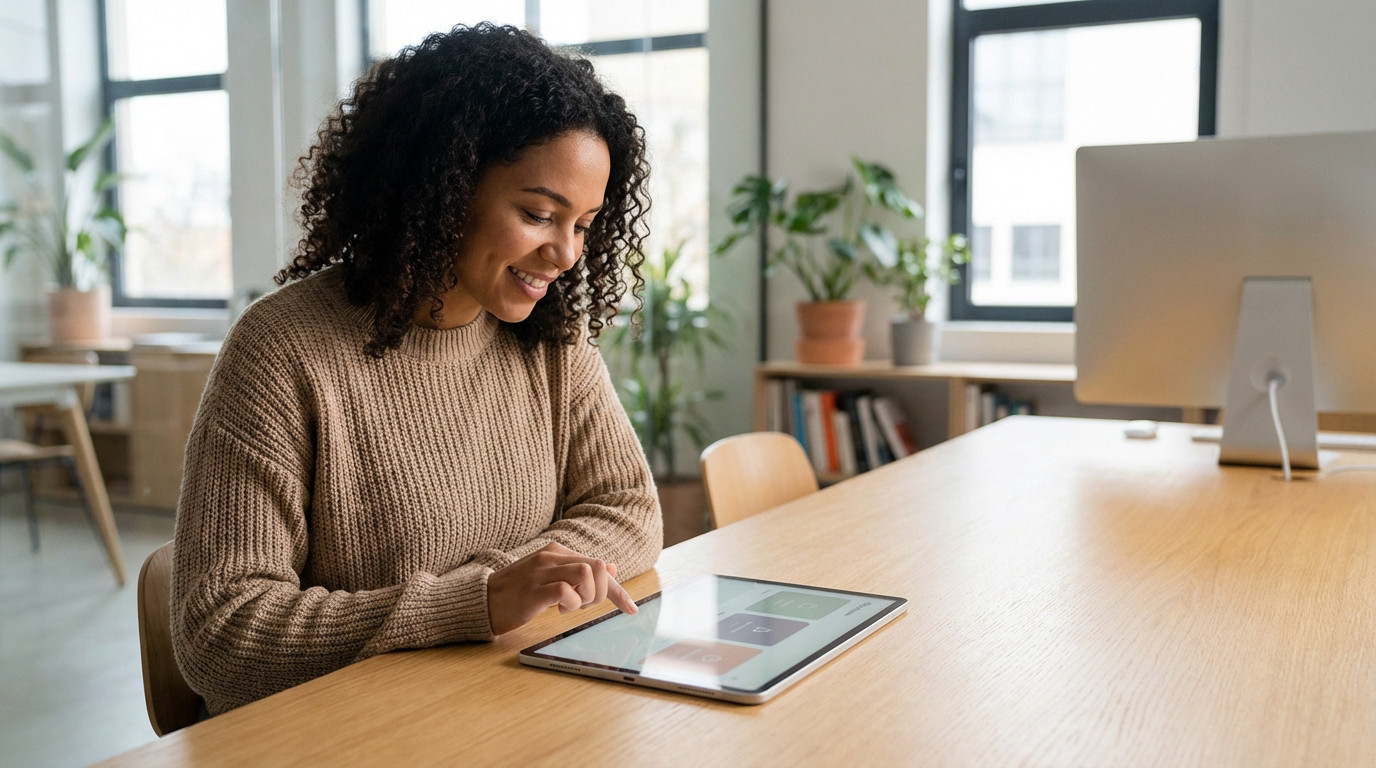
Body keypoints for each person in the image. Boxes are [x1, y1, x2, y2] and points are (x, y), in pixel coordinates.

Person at [170, 23, 662, 716]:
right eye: (538, 214)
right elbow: (220, 633)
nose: (566, 255)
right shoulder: (282, 349)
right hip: (338, 734)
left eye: (583, 225)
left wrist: (512, 591)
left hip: (491, 708)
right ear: (444, 184)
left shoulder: (551, 340)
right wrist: (480, 601)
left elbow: (630, 510)